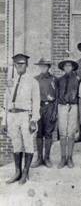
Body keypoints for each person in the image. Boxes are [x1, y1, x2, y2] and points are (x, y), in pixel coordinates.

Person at [3, 54, 40, 185]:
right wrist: (3, 121)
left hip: (25, 116)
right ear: (14, 65)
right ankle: (17, 172)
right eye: (17, 64)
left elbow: (36, 102)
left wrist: (34, 119)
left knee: (28, 143)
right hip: (12, 116)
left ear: (27, 65)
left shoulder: (32, 81)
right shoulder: (10, 82)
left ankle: (25, 172)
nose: (20, 66)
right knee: (16, 144)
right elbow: (6, 102)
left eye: (22, 64)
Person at [31, 58, 58, 168]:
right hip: (38, 108)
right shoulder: (35, 80)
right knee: (38, 133)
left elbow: (57, 97)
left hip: (50, 107)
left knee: (48, 133)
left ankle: (47, 158)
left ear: (48, 67)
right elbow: (31, 97)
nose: (43, 68)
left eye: (45, 66)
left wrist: (55, 111)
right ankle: (39, 158)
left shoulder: (54, 79)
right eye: (41, 66)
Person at [57, 57, 80, 169]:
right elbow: (57, 95)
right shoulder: (59, 80)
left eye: (69, 65)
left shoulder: (77, 79)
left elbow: (79, 97)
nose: (67, 67)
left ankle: (69, 157)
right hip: (62, 106)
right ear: (63, 68)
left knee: (71, 132)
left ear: (73, 67)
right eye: (65, 66)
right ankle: (62, 158)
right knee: (62, 132)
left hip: (73, 106)